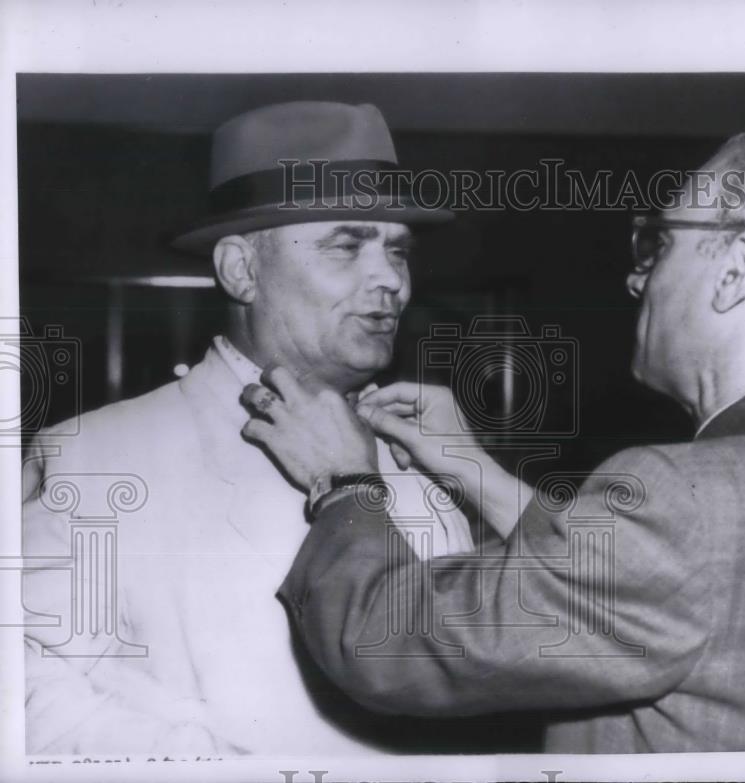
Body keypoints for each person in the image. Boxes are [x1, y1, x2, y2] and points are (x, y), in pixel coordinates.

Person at [242, 125, 745, 752]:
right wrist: (475, 471)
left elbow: (384, 641)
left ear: (736, 267)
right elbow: (661, 590)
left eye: (661, 241)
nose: (636, 277)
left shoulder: (681, 497)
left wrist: (346, 483)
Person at [21, 101, 472, 755]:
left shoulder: (424, 449)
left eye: (397, 251)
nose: (390, 280)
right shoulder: (94, 454)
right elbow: (27, 697)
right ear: (241, 269)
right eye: (347, 245)